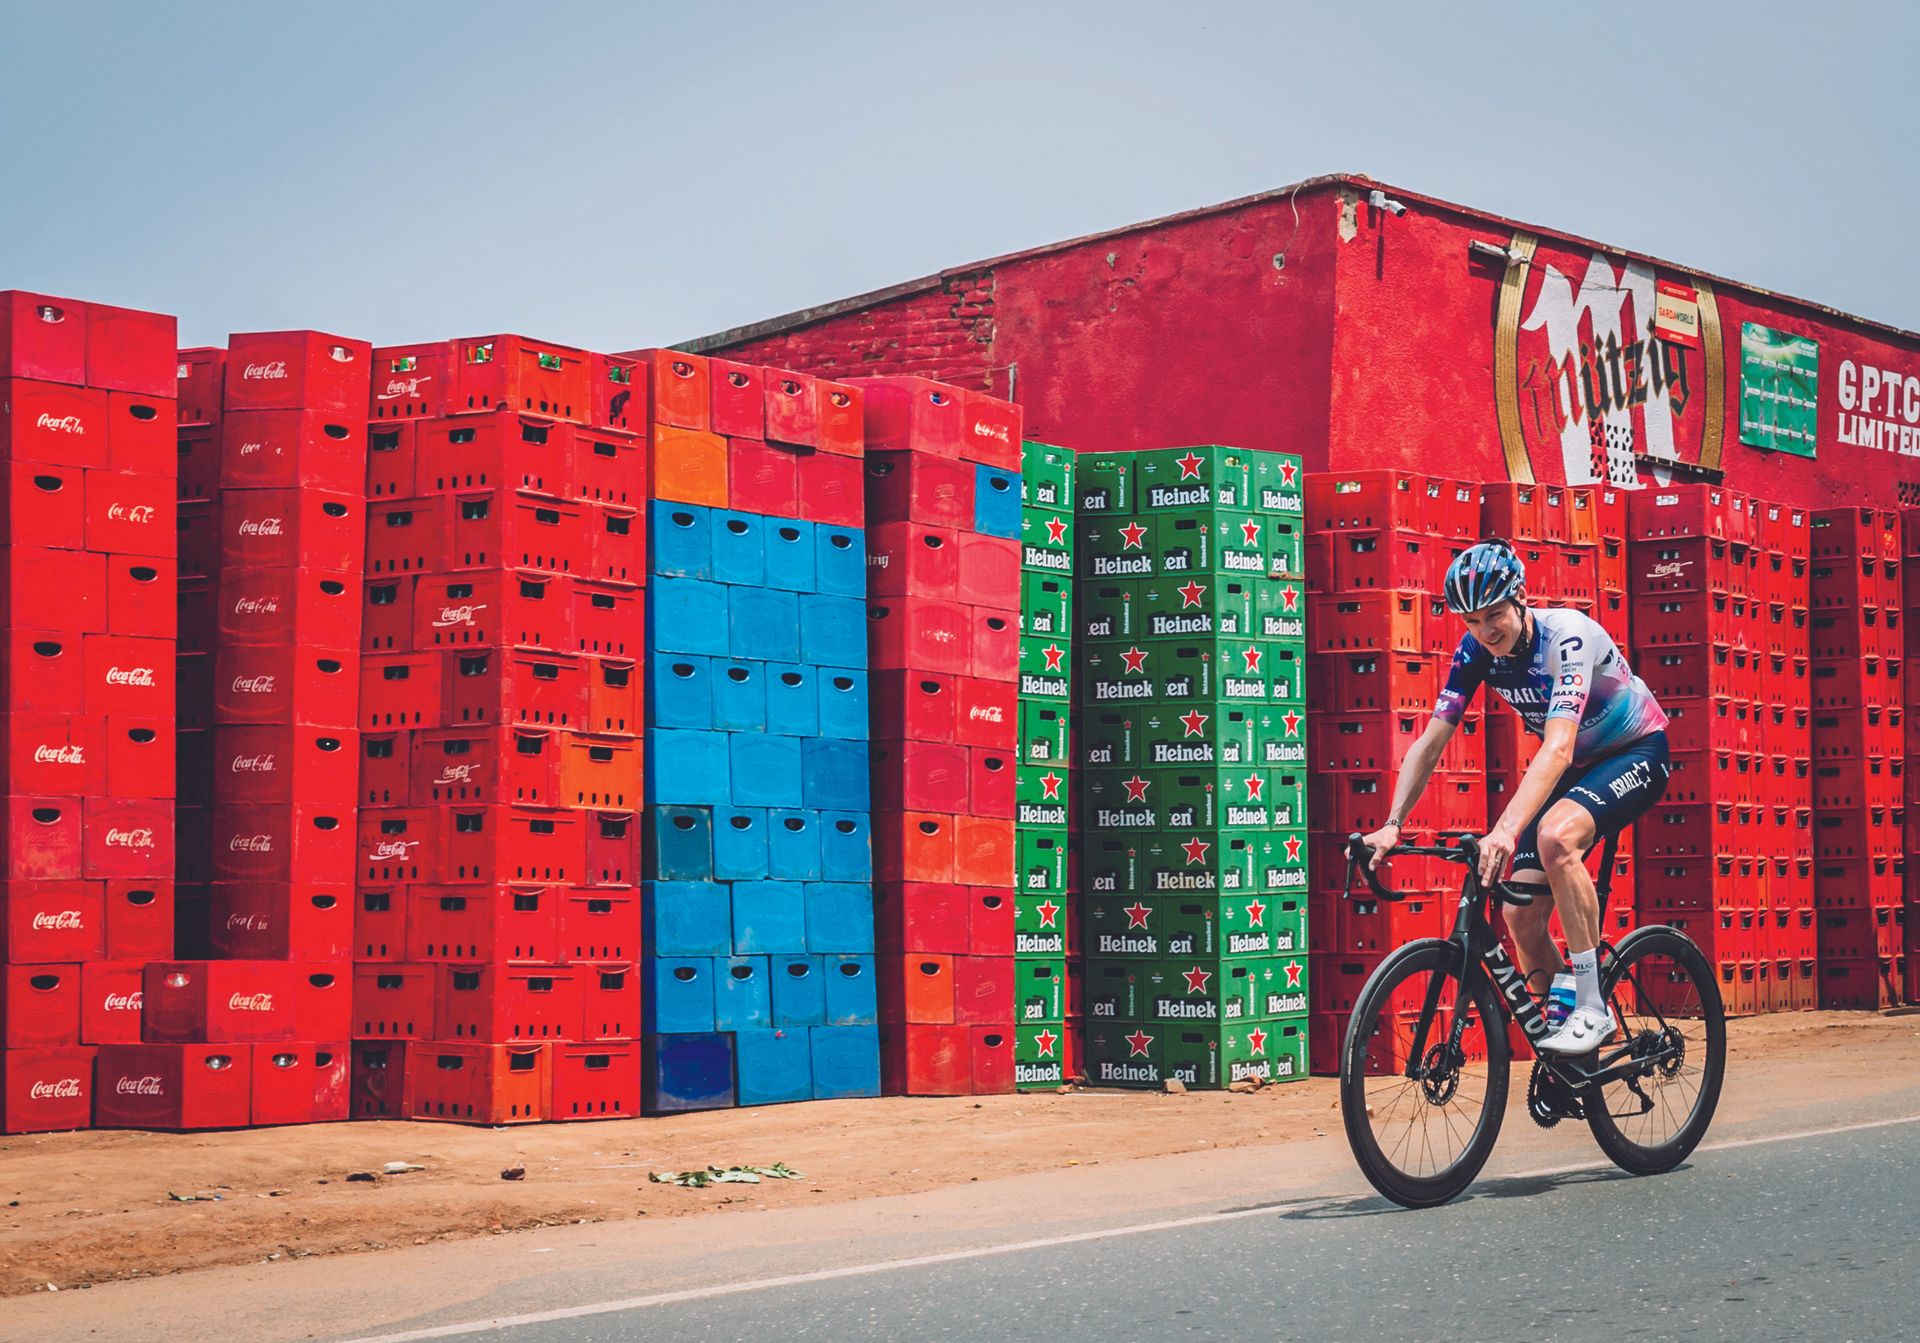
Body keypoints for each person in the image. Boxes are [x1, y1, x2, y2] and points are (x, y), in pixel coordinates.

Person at [1357, 538, 1671, 1055]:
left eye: (1494, 615)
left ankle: (1593, 1006)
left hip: (1635, 751)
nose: (1486, 631)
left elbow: (1559, 744)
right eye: (1471, 621)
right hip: (1577, 768)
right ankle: (1564, 1055)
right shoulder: (1476, 650)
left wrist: (1504, 831)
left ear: (1520, 596)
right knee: (1520, 915)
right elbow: (1432, 741)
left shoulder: (1565, 637)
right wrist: (1393, 822)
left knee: (1555, 837)